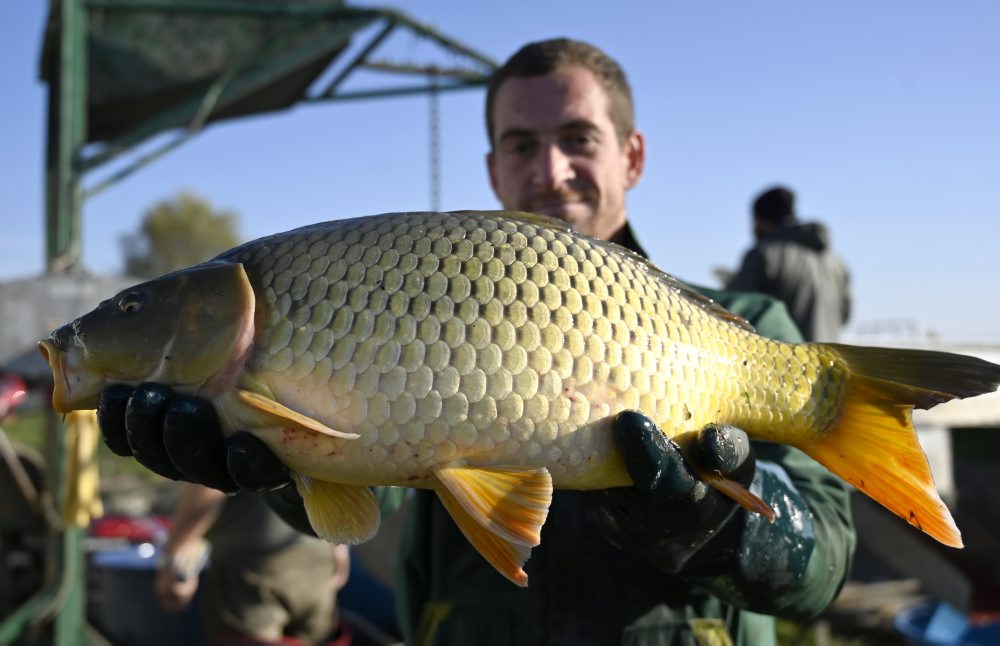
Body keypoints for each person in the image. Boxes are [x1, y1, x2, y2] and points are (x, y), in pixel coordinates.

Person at [94, 38, 856, 645]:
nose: (551, 171)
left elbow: (821, 574)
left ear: (633, 157)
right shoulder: (429, 293)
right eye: (521, 146)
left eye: (578, 139)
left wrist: (711, 524)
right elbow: (366, 491)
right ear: (493, 169)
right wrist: (274, 462)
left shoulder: (749, 323)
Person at [155, 483, 350, 645]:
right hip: (316, 563)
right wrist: (340, 542)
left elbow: (207, 485)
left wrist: (176, 556)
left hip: (251, 574)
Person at [726, 186, 852, 342]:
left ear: (760, 220)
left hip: (786, 361)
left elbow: (737, 312)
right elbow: (845, 314)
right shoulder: (836, 262)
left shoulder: (764, 255)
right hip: (830, 360)